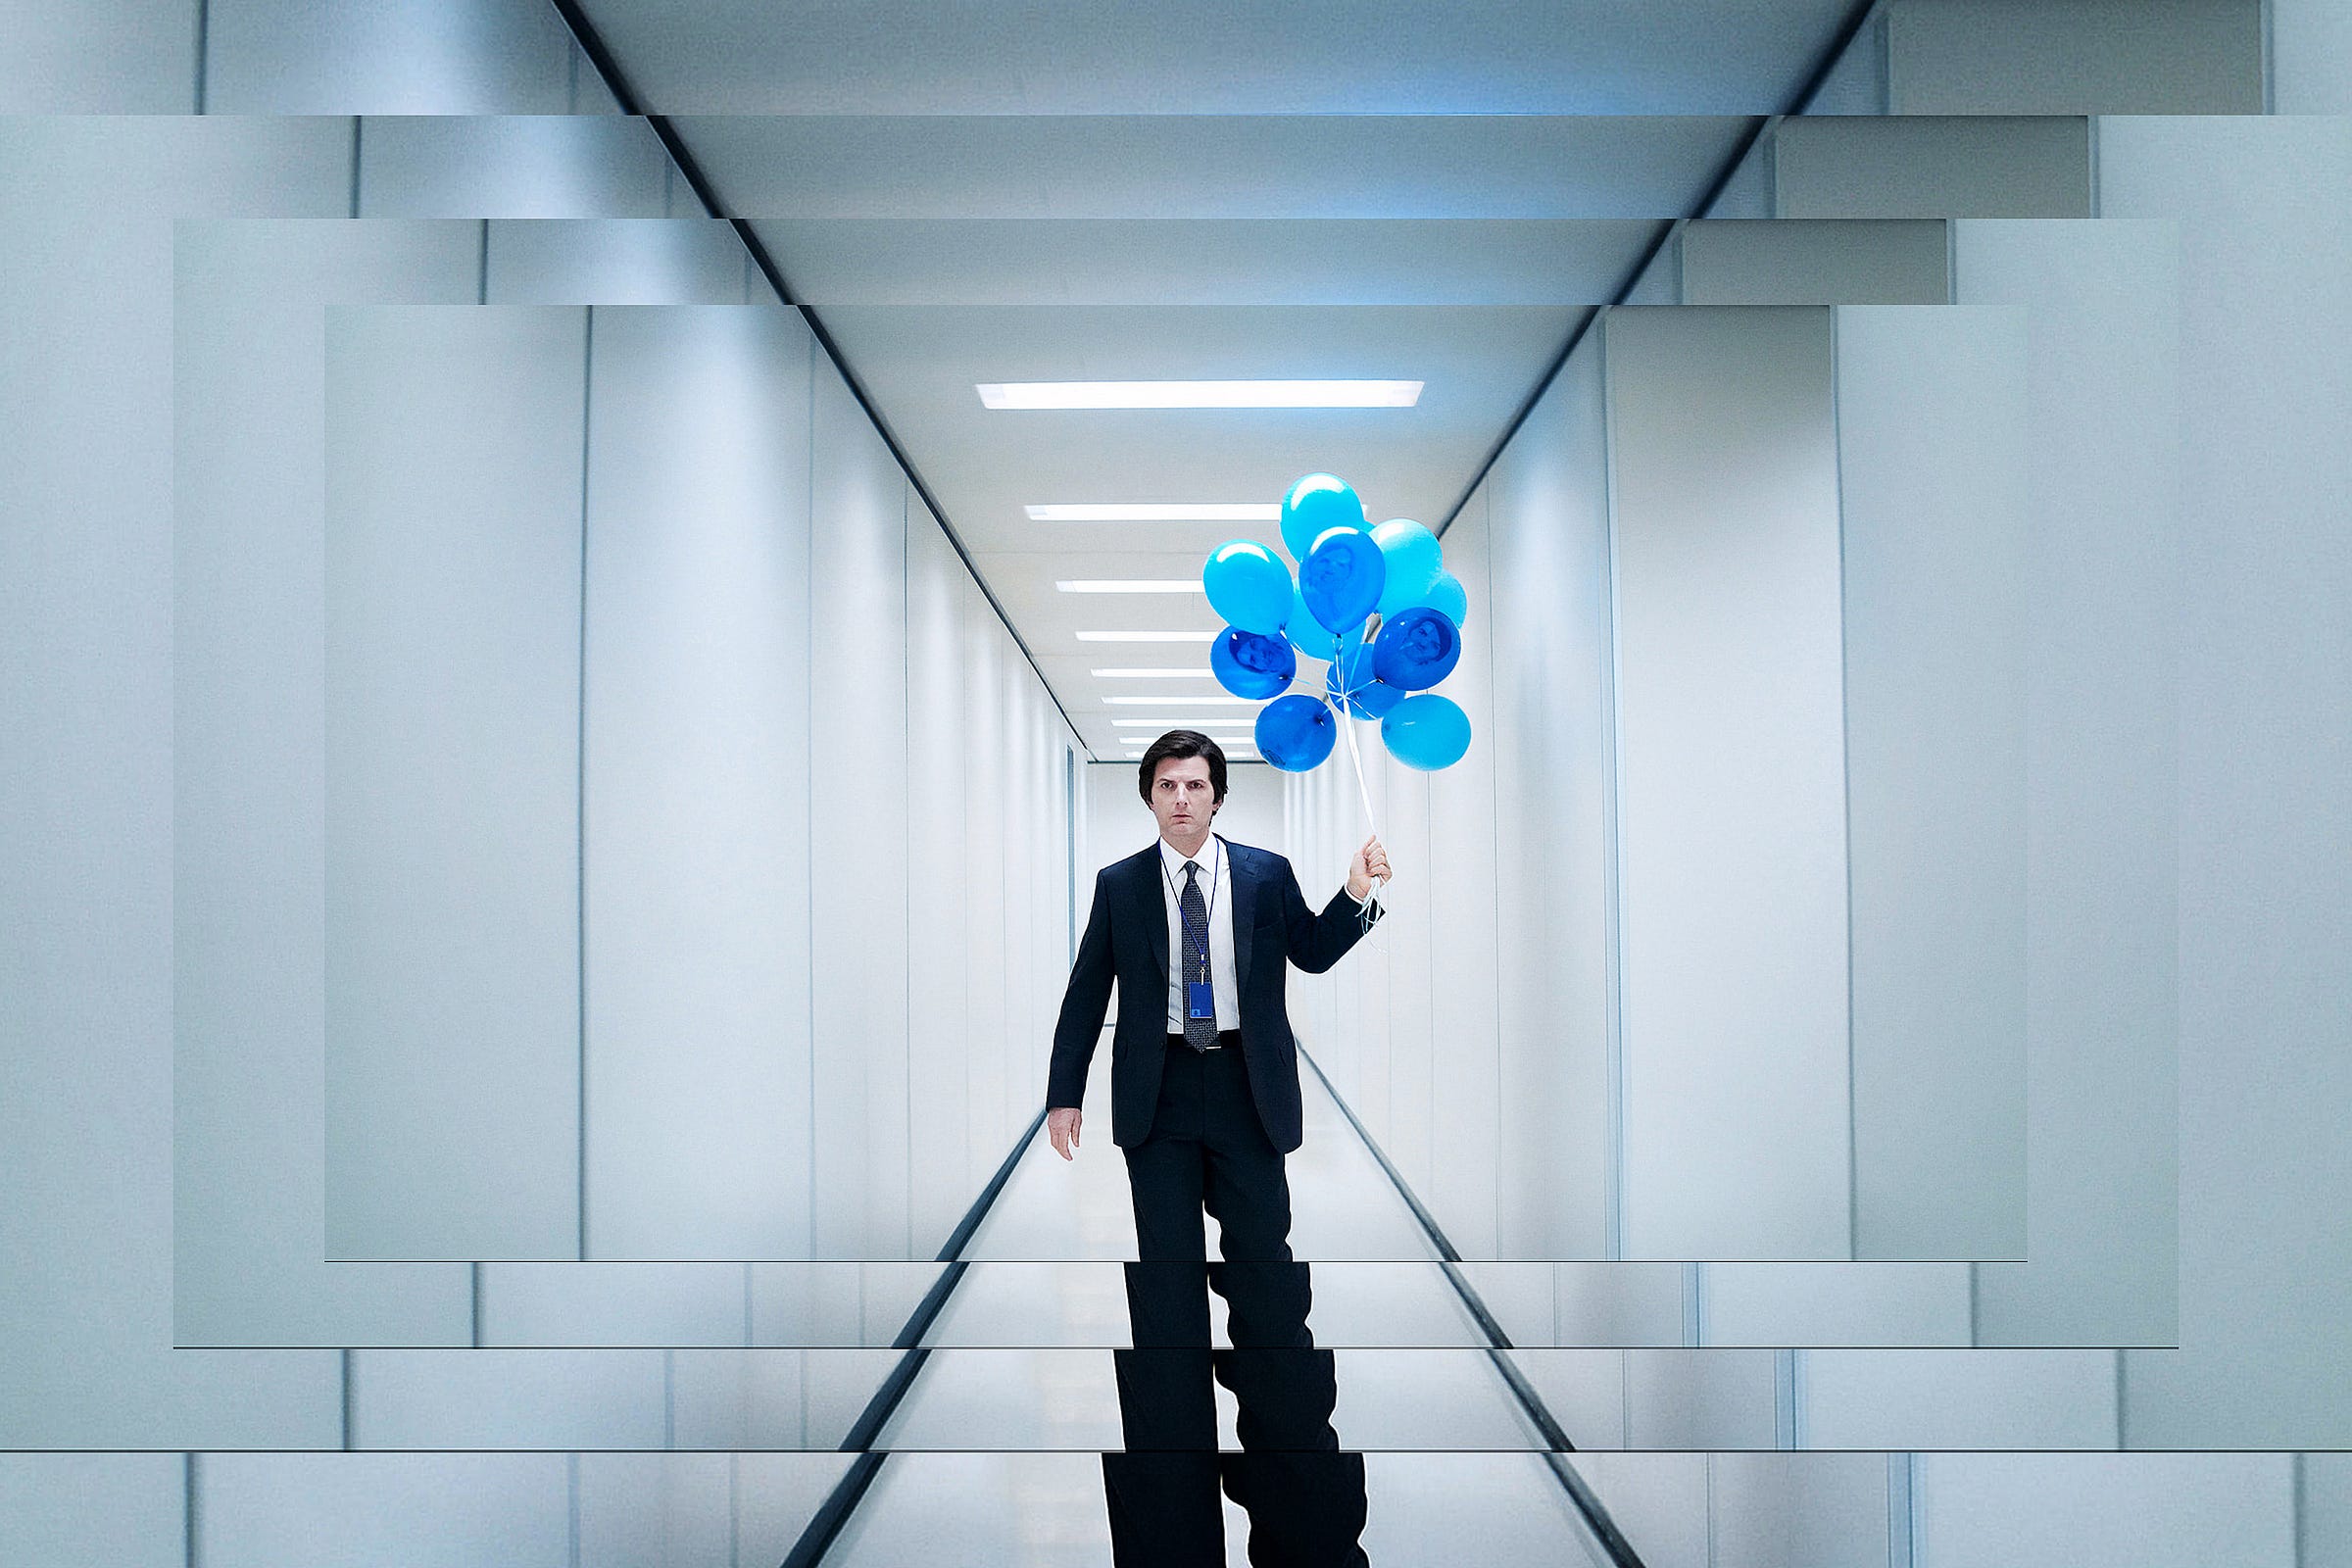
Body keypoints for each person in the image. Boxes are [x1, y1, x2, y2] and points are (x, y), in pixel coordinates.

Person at [1046, 729, 1390, 1567]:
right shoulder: (1121, 884)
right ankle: (1176, 1501)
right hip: (1158, 1093)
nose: (1182, 799)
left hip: (1244, 1086)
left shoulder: (1265, 873)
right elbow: (1088, 988)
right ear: (1150, 797)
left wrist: (1358, 894)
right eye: (1167, 785)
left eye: (1196, 784)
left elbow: (1310, 952)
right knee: (1168, 1286)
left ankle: (1284, 1471)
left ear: (1218, 795)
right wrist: (1065, 1093)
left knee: (1264, 1272)